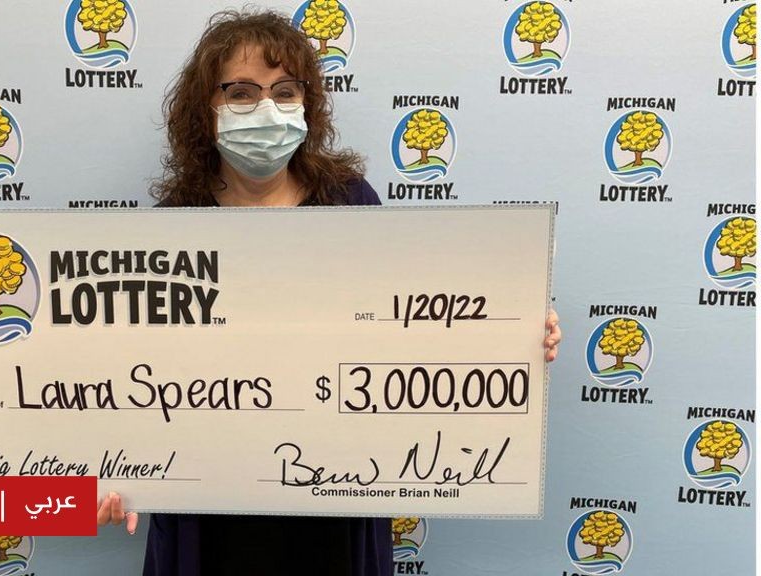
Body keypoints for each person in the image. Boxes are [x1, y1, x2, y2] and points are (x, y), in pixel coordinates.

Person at [94, 8, 564, 576]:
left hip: (334, 502)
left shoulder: (350, 202)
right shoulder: (171, 223)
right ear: (205, 109)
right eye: (241, 93)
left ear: (307, 103)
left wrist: (506, 335)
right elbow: (133, 375)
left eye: (284, 92)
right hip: (212, 509)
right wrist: (113, 472)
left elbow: (412, 329)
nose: (266, 110)